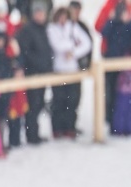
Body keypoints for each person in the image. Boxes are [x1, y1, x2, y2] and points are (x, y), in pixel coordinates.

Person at [47, 6, 91, 139]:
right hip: (58, 70)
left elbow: (87, 43)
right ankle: (57, 128)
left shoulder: (73, 27)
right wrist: (72, 44)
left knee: (72, 100)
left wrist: (74, 52)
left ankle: (70, 127)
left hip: (73, 69)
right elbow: (56, 45)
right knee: (58, 100)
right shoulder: (52, 28)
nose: (62, 20)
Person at [16, 1, 53, 145]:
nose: (40, 15)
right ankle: (31, 135)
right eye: (38, 12)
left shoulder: (43, 29)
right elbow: (26, 52)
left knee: (39, 104)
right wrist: (37, 64)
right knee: (33, 105)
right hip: (32, 73)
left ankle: (34, 133)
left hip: (42, 73)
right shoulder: (27, 30)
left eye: (42, 13)